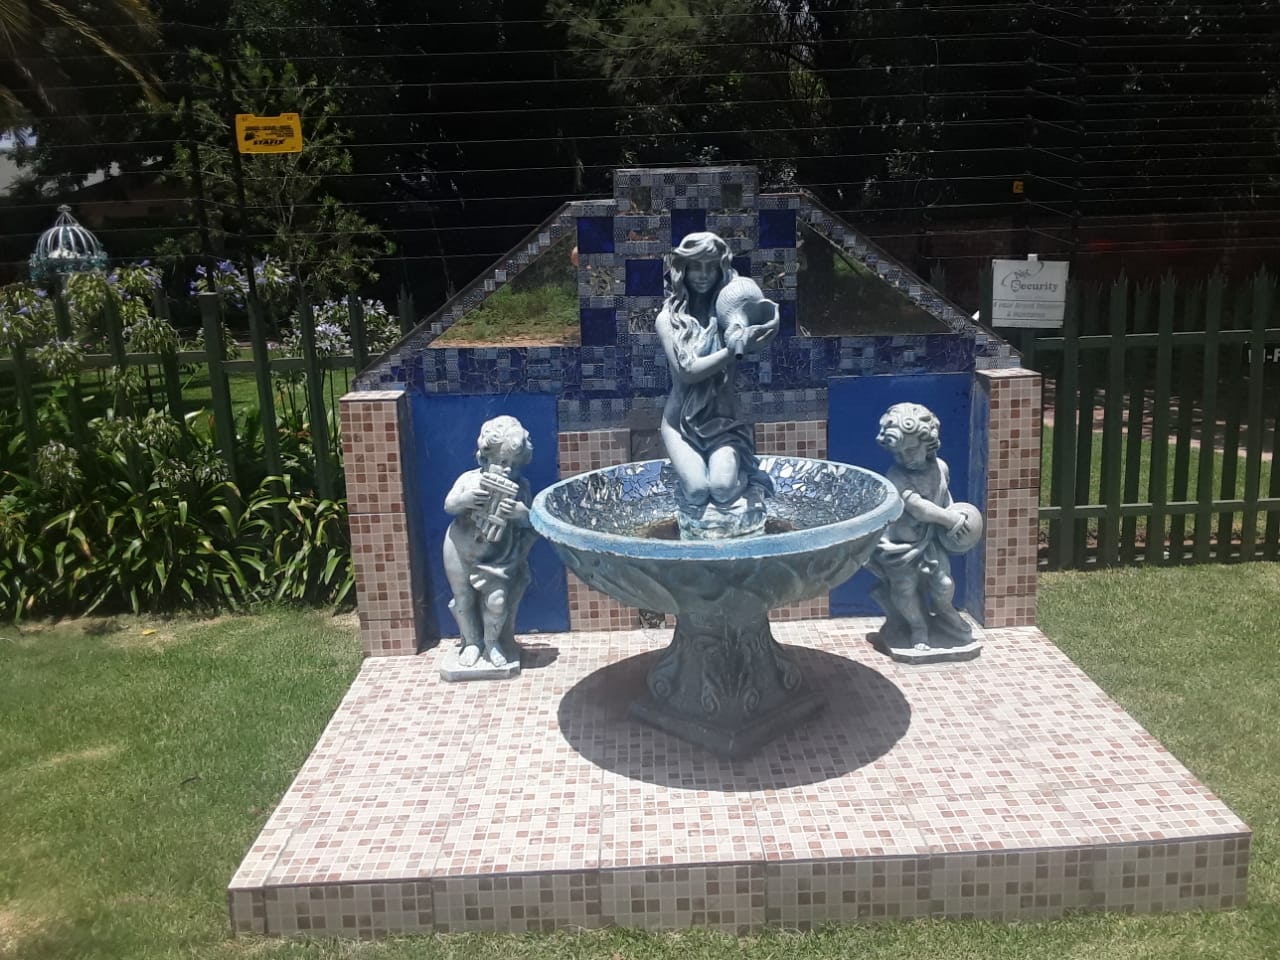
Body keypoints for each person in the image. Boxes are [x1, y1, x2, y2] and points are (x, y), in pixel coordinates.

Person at [655, 232, 778, 530]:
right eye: (695, 267)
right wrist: (733, 351)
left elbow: (759, 317)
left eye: (711, 267)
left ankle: (750, 482)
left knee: (722, 489)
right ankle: (689, 479)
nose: (703, 275)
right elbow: (687, 372)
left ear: (721, 269)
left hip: (723, 424)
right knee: (698, 491)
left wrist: (763, 325)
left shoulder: (729, 315)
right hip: (679, 425)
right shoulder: (667, 320)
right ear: (682, 270)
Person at [868, 403, 979, 653]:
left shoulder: (941, 468)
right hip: (900, 547)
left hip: (931, 540)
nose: (905, 458)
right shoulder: (896, 475)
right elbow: (920, 508)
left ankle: (946, 612)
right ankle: (918, 627)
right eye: (898, 454)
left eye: (910, 450)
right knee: (904, 589)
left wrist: (958, 516)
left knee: (944, 585)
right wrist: (951, 520)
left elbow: (945, 499)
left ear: (928, 442)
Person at [442, 416, 536, 669]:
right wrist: (466, 500)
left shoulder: (521, 487)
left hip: (497, 555)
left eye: (514, 465)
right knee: (463, 598)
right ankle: (472, 642)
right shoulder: (469, 480)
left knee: (497, 602)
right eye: (502, 462)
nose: (508, 470)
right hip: (459, 547)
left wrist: (520, 513)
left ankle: (492, 642)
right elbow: (449, 505)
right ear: (485, 458)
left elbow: (531, 523)